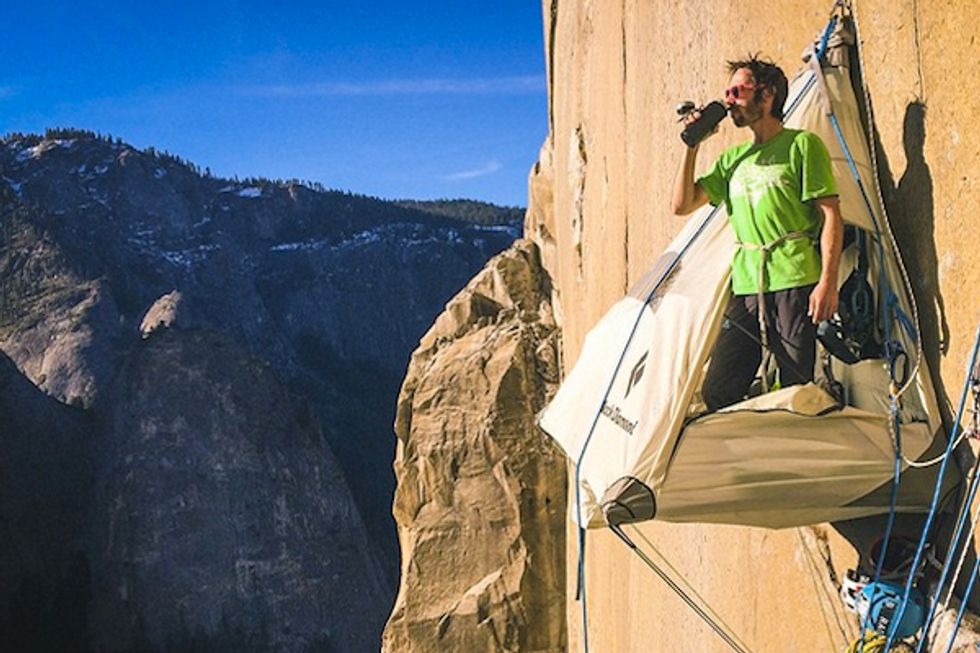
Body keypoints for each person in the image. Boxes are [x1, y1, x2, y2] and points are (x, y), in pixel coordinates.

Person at [671, 55, 844, 411]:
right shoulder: (732, 160)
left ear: (766, 96)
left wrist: (828, 281)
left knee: (796, 387)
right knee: (719, 390)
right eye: (727, 92)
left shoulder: (801, 146)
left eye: (737, 91)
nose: (729, 100)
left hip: (796, 279)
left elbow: (831, 215)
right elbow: (682, 204)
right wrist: (692, 145)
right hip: (747, 285)